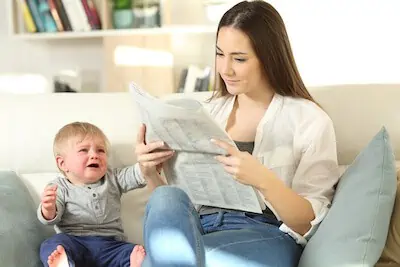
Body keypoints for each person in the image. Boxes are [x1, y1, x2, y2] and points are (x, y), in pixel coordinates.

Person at [135, 1, 341, 267]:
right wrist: (151, 172)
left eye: (239, 58)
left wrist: (263, 179)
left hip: (264, 234)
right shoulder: (205, 114)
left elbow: (307, 223)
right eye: (220, 54)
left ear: (269, 58)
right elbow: (173, 220)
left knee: (170, 260)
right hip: (197, 228)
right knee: (166, 198)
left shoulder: (309, 120)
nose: (225, 69)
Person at [38, 122, 153, 267]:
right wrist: (48, 209)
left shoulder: (113, 178)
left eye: (100, 150)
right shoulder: (59, 187)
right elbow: (50, 218)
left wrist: (145, 162)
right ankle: (64, 264)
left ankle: (134, 264)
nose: (94, 155)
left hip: (112, 246)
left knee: (134, 251)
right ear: (63, 164)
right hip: (75, 242)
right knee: (51, 244)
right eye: (83, 150)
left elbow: (137, 174)